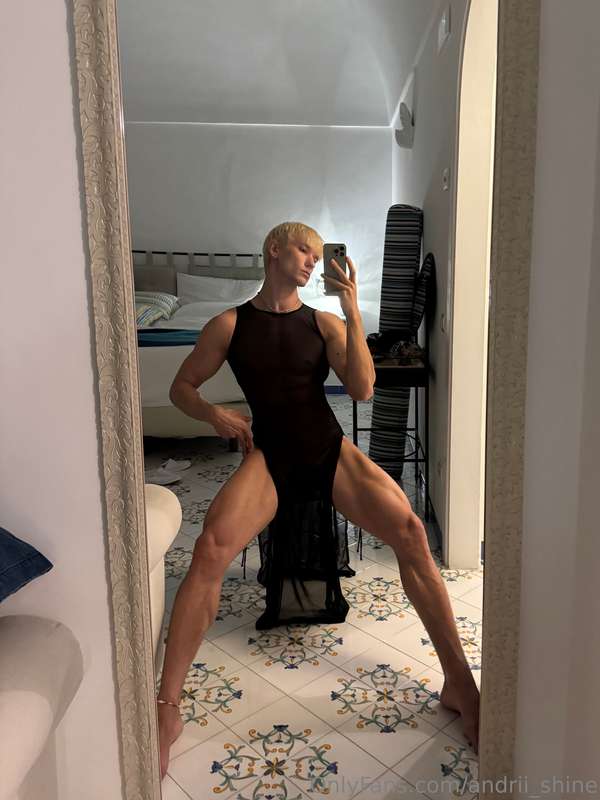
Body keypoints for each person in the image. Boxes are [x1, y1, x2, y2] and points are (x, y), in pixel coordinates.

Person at [156, 222, 480, 778]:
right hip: (271, 457)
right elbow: (180, 388)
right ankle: (167, 705)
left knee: (409, 532)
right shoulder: (229, 324)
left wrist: (351, 307)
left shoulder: (324, 321)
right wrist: (214, 415)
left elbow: (362, 389)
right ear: (275, 249)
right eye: (305, 250)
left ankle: (459, 682)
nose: (312, 260)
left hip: (327, 448)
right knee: (209, 550)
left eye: (316, 253)